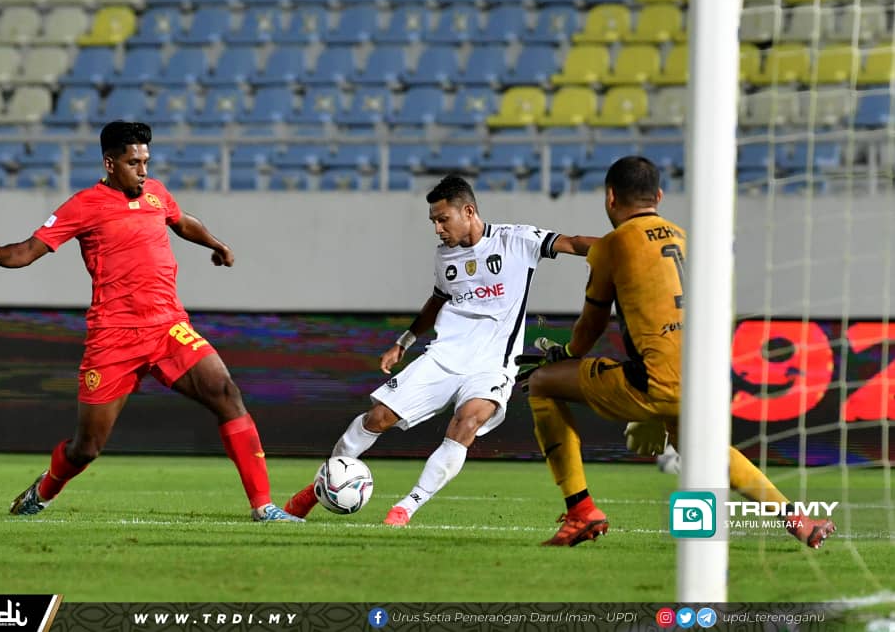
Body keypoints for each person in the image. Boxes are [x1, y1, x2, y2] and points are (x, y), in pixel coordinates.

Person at [0, 121, 302, 523]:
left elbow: (181, 220)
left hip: (167, 326)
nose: (143, 170)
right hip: (113, 337)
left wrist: (216, 244)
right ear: (109, 163)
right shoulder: (83, 205)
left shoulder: (156, 193)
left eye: (146, 161)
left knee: (226, 392)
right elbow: (27, 252)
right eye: (133, 163)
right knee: (85, 449)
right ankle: (45, 489)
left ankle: (263, 506)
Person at [518, 156, 836, 548]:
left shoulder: (613, 245)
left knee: (542, 383)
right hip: (704, 379)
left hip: (655, 383)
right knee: (704, 448)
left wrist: (563, 351)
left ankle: (581, 510)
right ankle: (796, 518)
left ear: (610, 197)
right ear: (659, 196)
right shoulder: (686, 238)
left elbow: (591, 329)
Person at [283, 174, 599, 526]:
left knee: (466, 422)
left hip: (492, 366)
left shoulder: (517, 240)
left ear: (468, 211)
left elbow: (572, 243)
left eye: (442, 219)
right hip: (443, 358)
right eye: (433, 221)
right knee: (377, 418)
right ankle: (314, 491)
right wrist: (403, 341)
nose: (437, 228)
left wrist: (624, 247)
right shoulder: (445, 256)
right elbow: (437, 301)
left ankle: (406, 508)